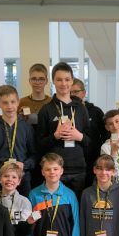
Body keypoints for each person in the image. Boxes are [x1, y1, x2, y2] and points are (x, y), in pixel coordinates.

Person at [37, 62, 90, 196]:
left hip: (78, 169)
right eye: (59, 80)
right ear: (53, 81)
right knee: (57, 210)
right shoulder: (46, 110)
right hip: (55, 170)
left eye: (67, 79)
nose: (63, 83)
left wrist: (79, 136)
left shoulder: (81, 109)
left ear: (72, 81)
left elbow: (91, 141)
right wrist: (55, 135)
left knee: (75, 209)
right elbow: (39, 144)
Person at [0, 84, 37, 196]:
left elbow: (35, 155)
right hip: (0, 181)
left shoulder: (27, 128)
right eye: (5, 102)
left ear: (18, 101)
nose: (9, 106)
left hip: (22, 181)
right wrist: (3, 169)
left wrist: (24, 165)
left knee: (24, 213)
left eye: (12, 101)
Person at [27, 152, 80, 236]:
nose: (52, 172)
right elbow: (31, 227)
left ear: (61, 171)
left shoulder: (69, 195)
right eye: (48, 169)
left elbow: (75, 225)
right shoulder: (34, 195)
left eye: (55, 169)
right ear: (42, 172)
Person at [72, 78, 107, 186]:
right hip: (75, 161)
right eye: (70, 92)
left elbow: (105, 135)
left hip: (93, 160)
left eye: (76, 92)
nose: (72, 95)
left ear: (83, 93)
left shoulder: (96, 111)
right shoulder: (66, 111)